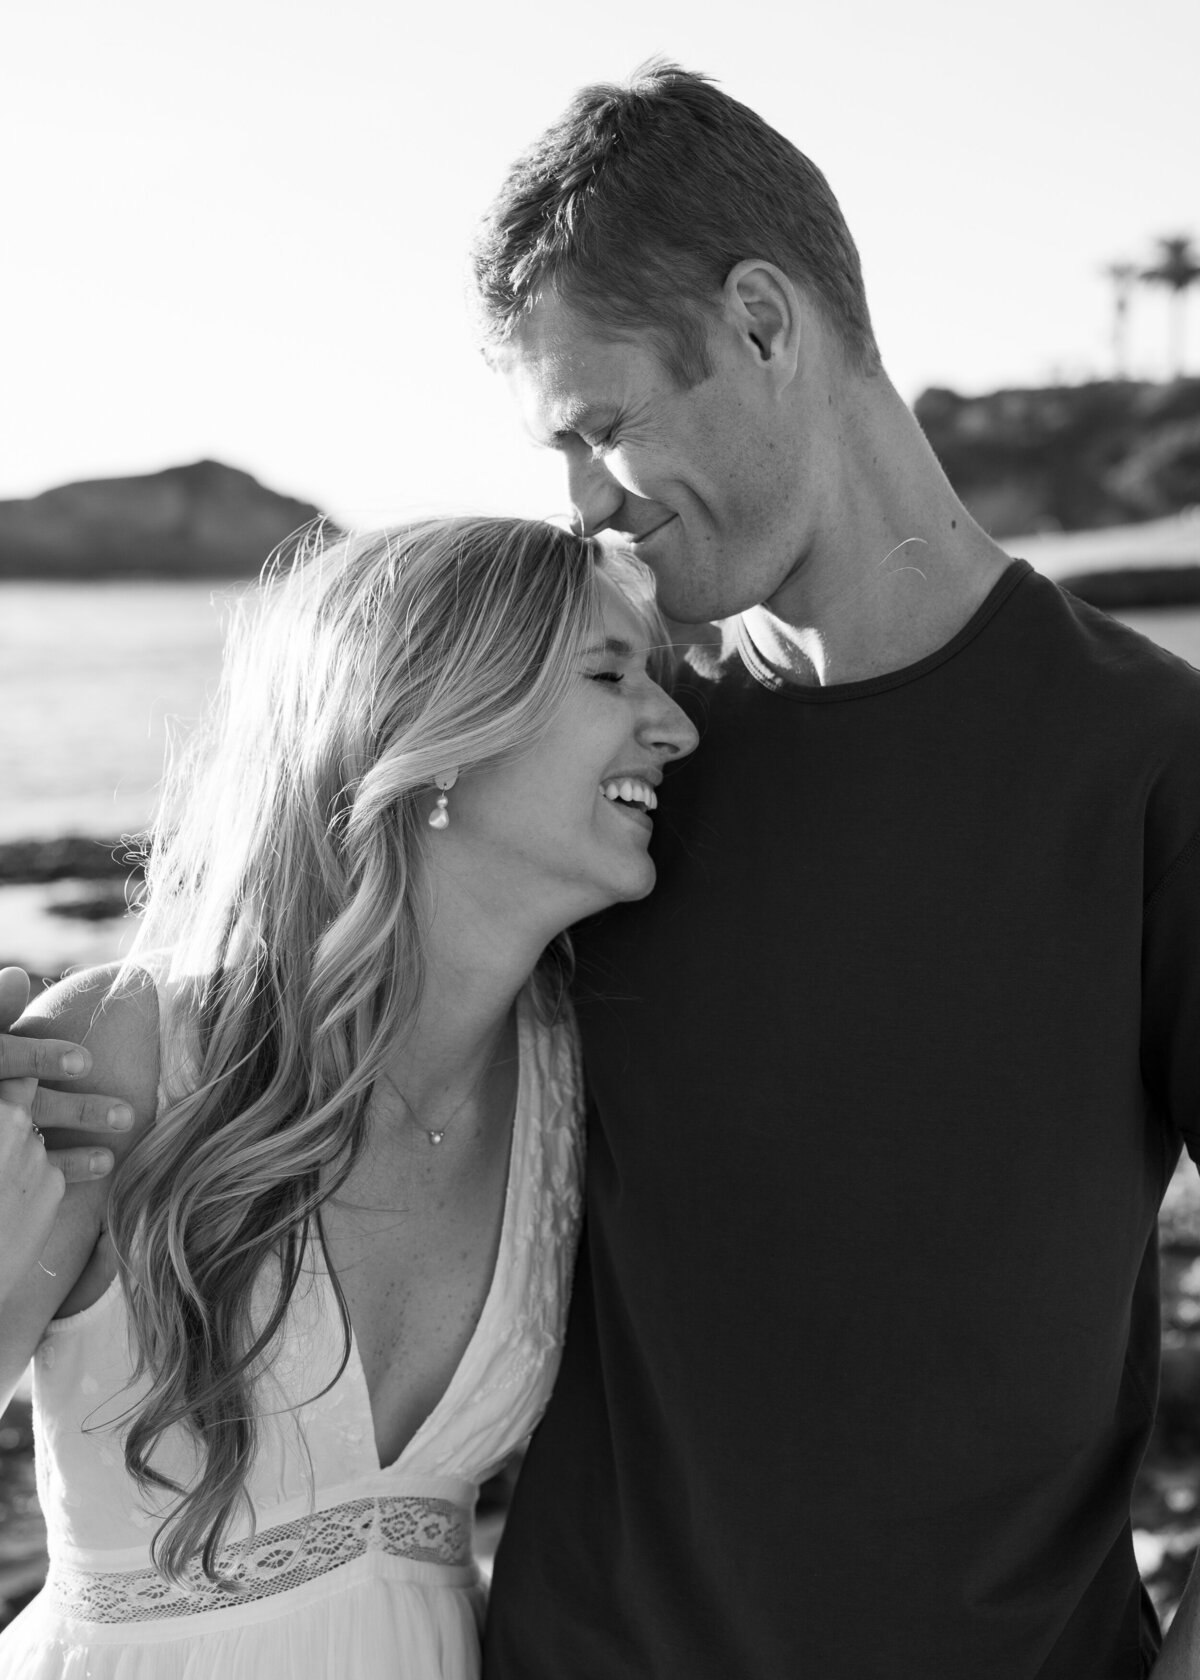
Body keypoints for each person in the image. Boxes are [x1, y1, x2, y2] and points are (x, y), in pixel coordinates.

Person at [463, 64, 1200, 1678]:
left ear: (764, 322)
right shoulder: (612, 757)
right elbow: (339, 971)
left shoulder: (1154, 758)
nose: (584, 505)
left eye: (602, 427)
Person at [0, 515, 696, 1679]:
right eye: (609, 674)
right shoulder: (123, 1053)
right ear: (435, 733)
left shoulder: (576, 1090)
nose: (673, 725)